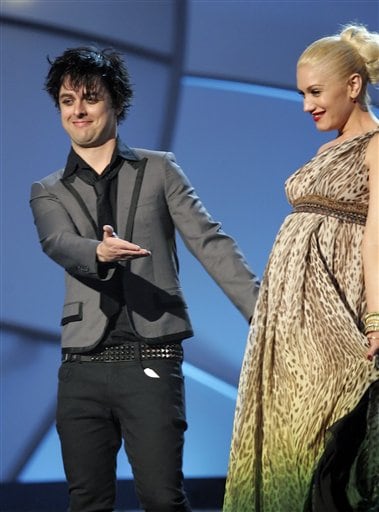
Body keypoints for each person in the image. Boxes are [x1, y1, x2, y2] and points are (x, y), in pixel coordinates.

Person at [29, 46, 259, 512]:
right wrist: (98, 250)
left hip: (150, 355)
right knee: (87, 501)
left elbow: (209, 242)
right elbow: (56, 242)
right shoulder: (47, 189)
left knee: (161, 498)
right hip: (81, 365)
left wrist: (263, 313)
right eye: (67, 101)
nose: (78, 110)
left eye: (90, 98)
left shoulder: (158, 169)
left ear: (115, 102)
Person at [223, 24, 379, 512]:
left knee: (324, 425)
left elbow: (377, 239)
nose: (307, 105)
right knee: (287, 431)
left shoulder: (376, 145)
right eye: (301, 94)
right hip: (289, 321)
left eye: (315, 92)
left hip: (337, 311)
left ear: (353, 86)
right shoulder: (326, 150)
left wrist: (376, 317)